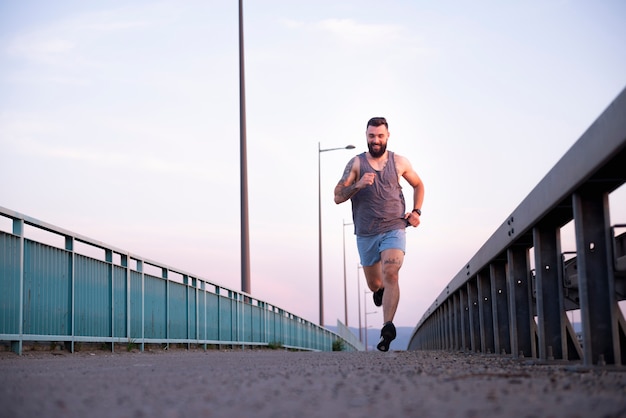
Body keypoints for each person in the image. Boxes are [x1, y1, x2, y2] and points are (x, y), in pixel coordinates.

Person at [334, 117, 424, 352]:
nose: (376, 140)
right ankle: (380, 292)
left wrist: (416, 211)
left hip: (394, 228)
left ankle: (387, 326)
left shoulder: (399, 162)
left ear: (388, 136)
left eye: (380, 136)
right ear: (366, 136)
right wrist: (359, 185)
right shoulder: (356, 164)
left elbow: (418, 185)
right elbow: (337, 196)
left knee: (391, 273)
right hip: (366, 234)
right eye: (372, 136)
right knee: (375, 284)